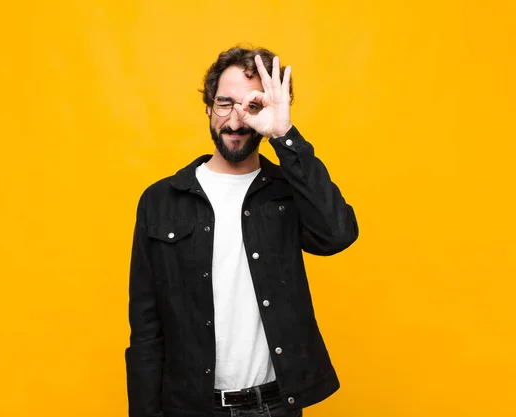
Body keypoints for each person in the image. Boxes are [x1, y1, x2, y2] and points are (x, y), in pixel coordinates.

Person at [125, 45, 359, 417]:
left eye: (251, 107)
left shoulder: (287, 190)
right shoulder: (160, 201)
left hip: (276, 406)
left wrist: (285, 135)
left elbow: (338, 234)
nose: (235, 121)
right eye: (224, 103)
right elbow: (146, 329)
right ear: (207, 106)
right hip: (192, 408)